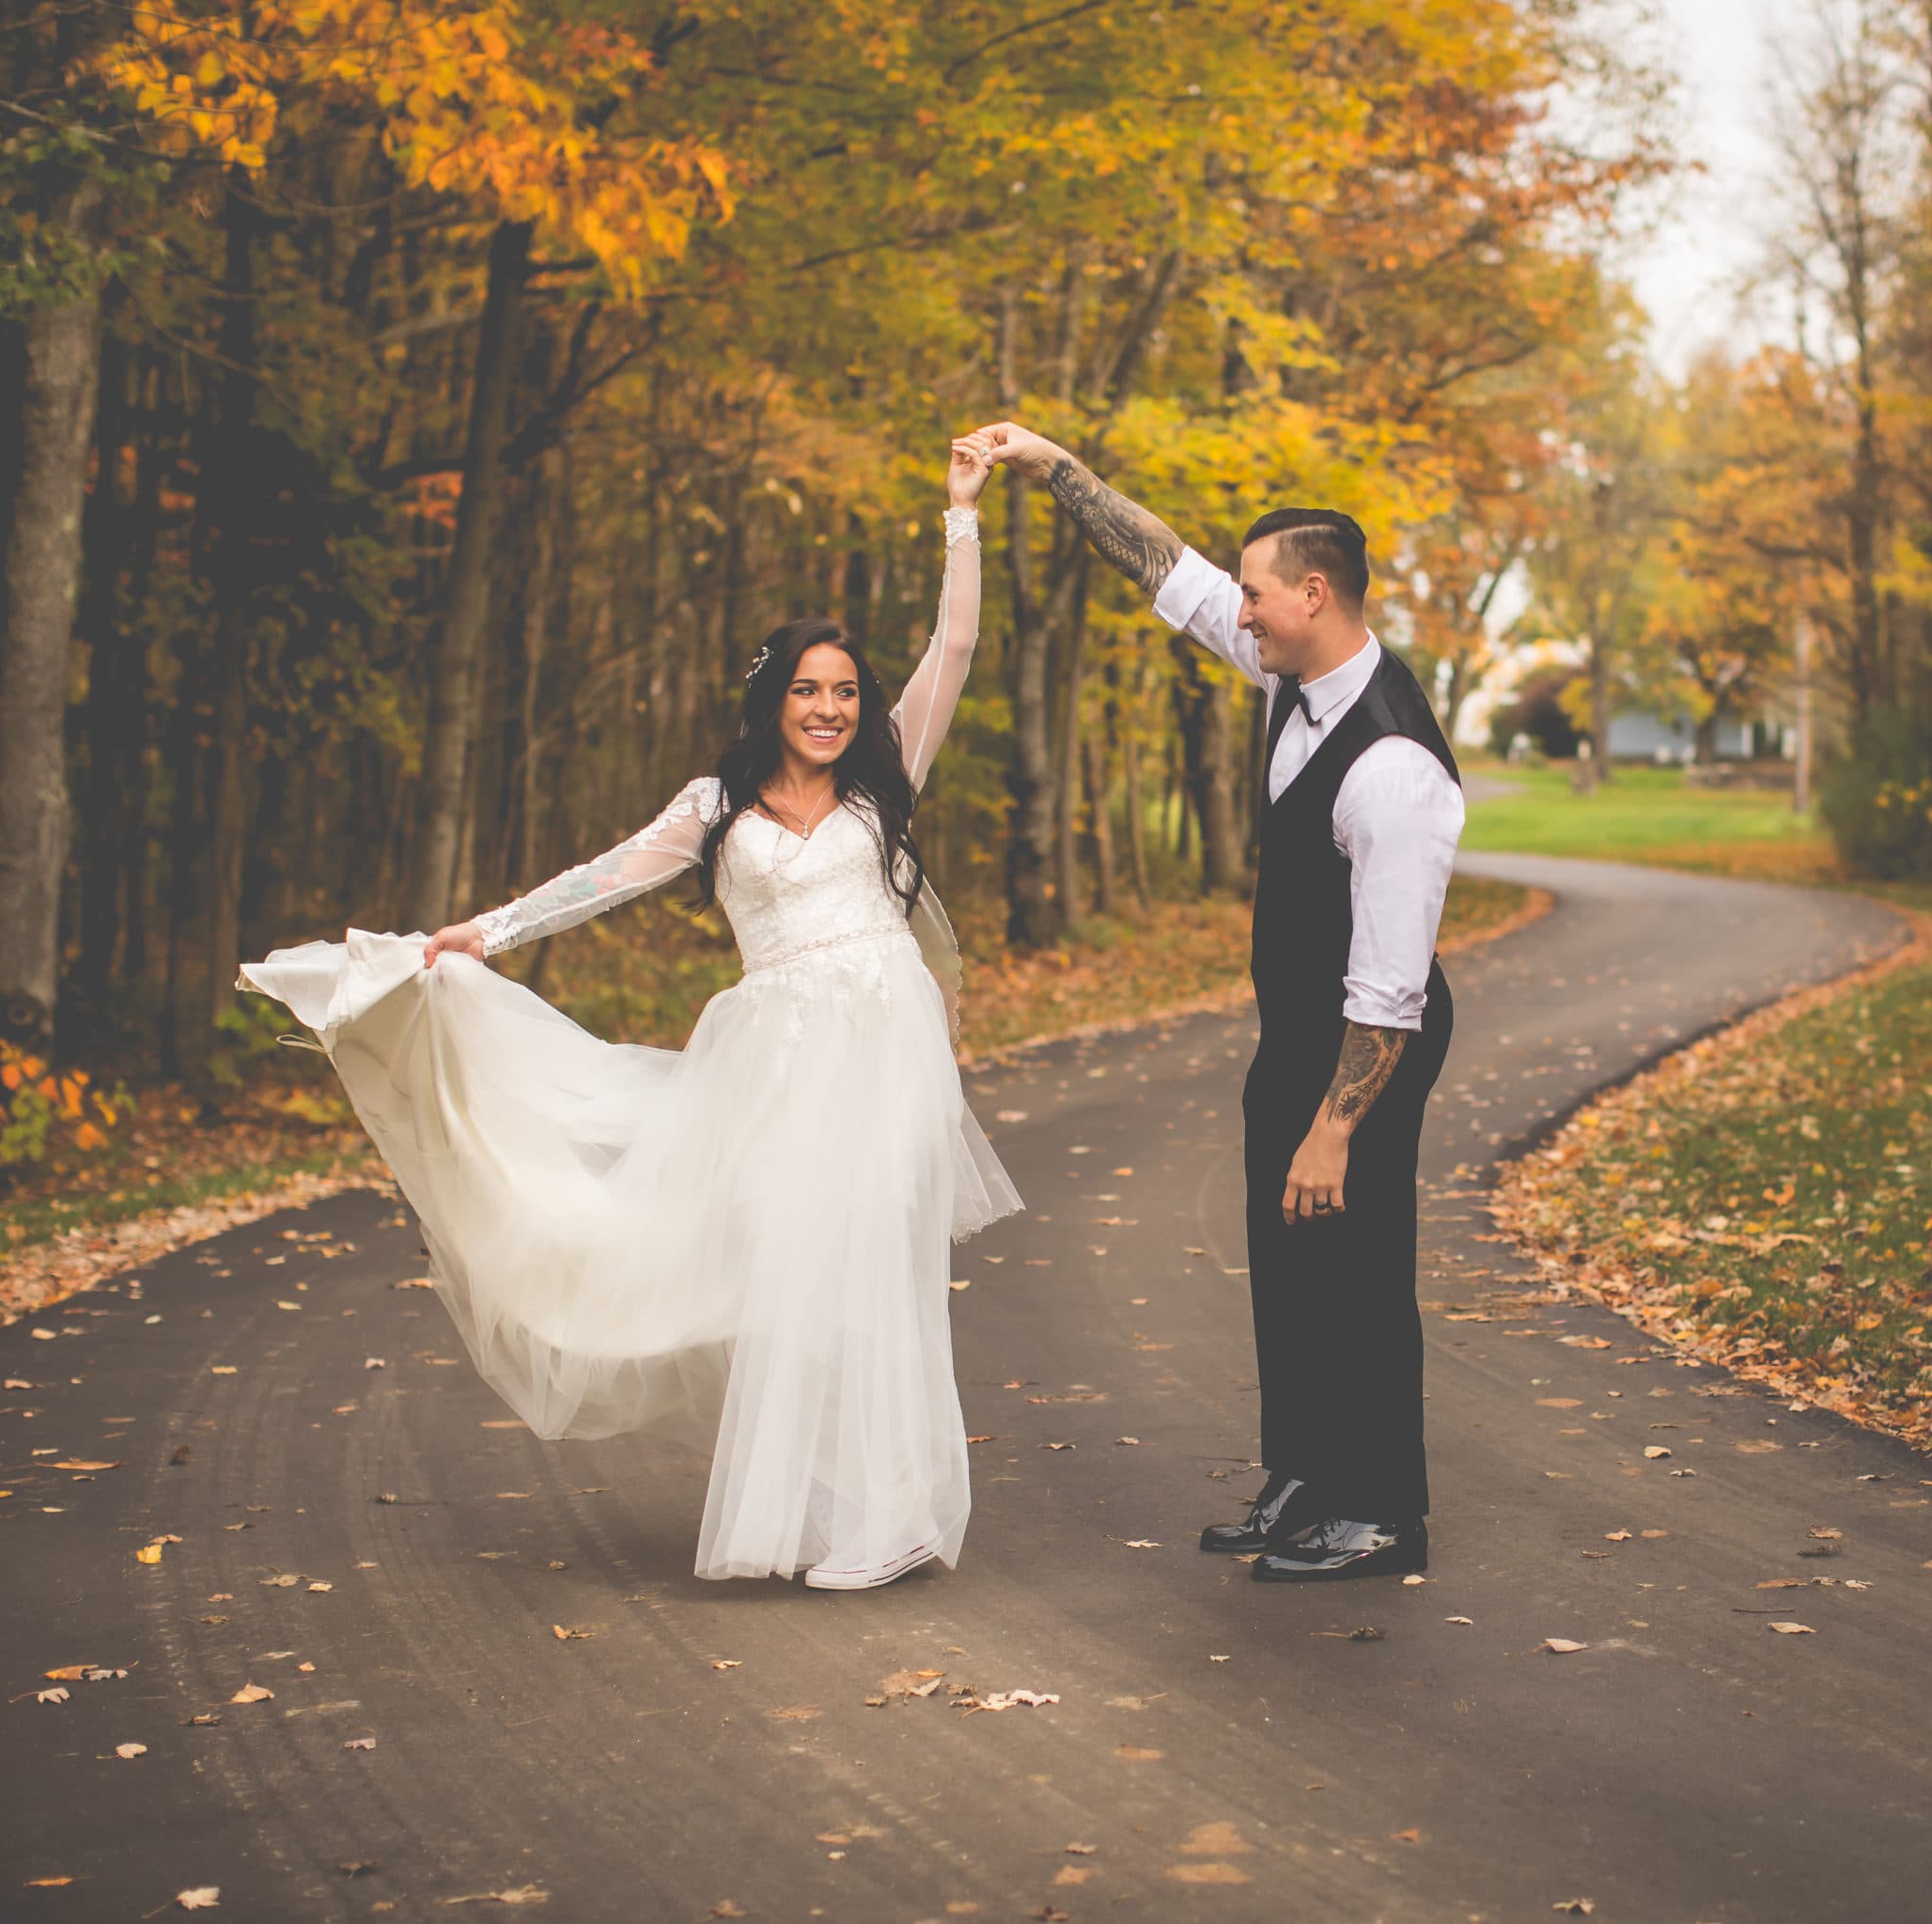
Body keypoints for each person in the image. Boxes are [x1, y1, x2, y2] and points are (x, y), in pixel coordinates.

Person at [237, 443, 1020, 1590]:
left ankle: (900, 1513)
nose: (830, 708)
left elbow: (954, 647)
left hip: (887, 1045)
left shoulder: (882, 773)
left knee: (875, 1265)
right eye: (808, 689)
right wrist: (486, 934)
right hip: (777, 1055)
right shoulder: (714, 805)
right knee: (787, 1279)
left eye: (844, 690)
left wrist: (961, 517)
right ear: (772, 698)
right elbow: (606, 875)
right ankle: (823, 1504)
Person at [958, 421, 1463, 1582]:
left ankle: (1380, 1507)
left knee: (1357, 1259)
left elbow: (1389, 992)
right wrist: (1050, 467)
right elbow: (1163, 567)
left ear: (1314, 593)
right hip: (1297, 1029)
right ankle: (1302, 1475)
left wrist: (1335, 1126)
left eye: (1255, 594)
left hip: (1366, 1041)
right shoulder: (1292, 676)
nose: (1236, 611)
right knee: (1284, 1256)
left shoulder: (1392, 767)